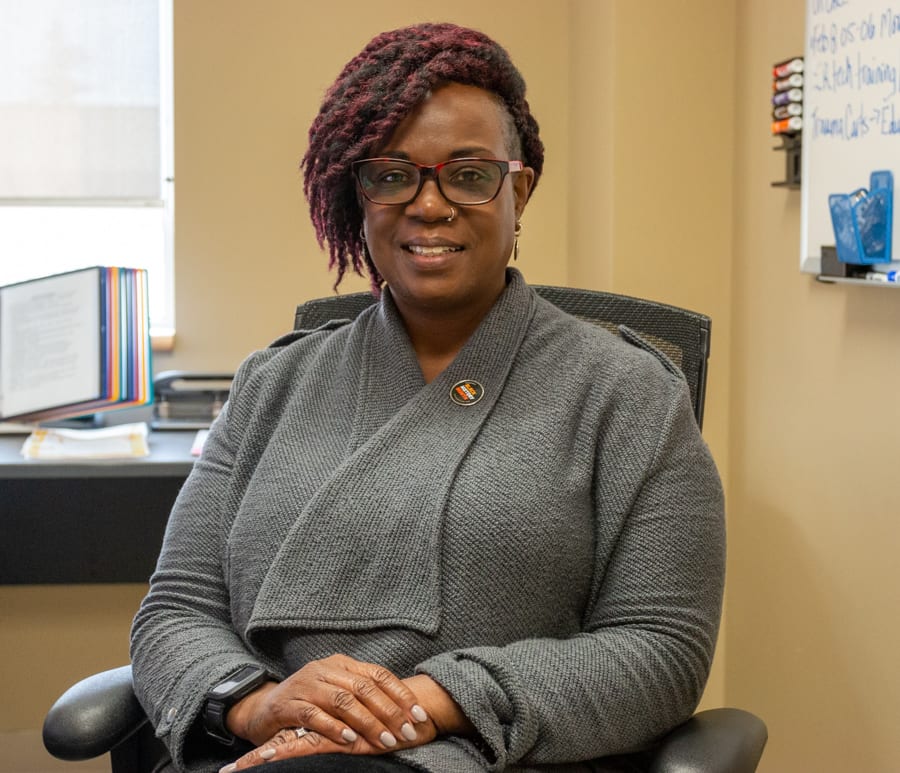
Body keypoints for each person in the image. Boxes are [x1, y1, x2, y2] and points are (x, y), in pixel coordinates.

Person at [130, 22, 725, 773]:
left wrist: (428, 702)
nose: (429, 203)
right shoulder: (272, 385)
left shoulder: (627, 393)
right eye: (392, 174)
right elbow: (174, 611)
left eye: (470, 174)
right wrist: (253, 704)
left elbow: (660, 651)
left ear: (520, 190)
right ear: (361, 195)